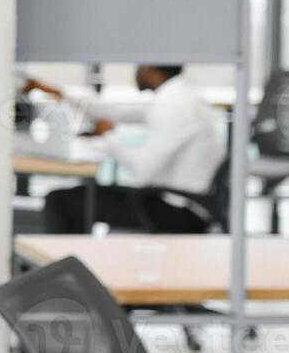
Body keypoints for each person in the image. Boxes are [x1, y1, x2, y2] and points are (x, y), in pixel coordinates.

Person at [24, 65, 225, 234]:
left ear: (150, 69)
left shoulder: (174, 106)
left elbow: (142, 170)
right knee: (79, 198)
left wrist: (109, 136)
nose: (135, 72)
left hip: (178, 213)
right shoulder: (181, 97)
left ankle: (66, 276)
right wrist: (58, 93)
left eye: (138, 66)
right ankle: (77, 267)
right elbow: (115, 112)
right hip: (185, 202)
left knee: (61, 201)